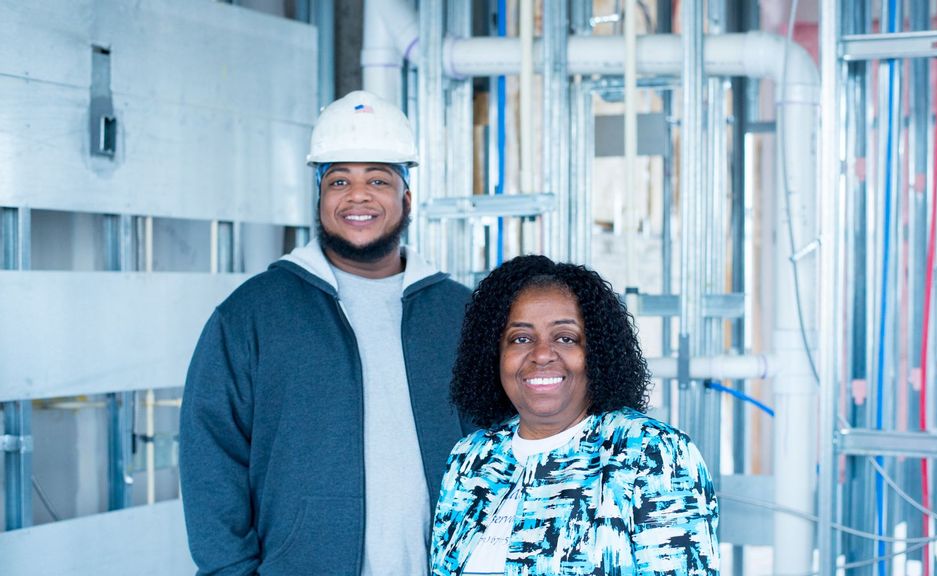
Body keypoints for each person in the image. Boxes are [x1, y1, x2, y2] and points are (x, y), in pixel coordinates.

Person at [179, 90, 472, 575]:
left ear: (407, 198)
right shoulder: (252, 314)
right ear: (319, 197)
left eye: (378, 179)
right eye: (339, 180)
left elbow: (507, 447)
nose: (358, 195)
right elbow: (211, 459)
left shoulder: (462, 313)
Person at [430, 255, 720, 575]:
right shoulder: (471, 458)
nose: (541, 354)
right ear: (494, 354)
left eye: (566, 338)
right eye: (521, 338)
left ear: (596, 352)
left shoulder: (650, 452)